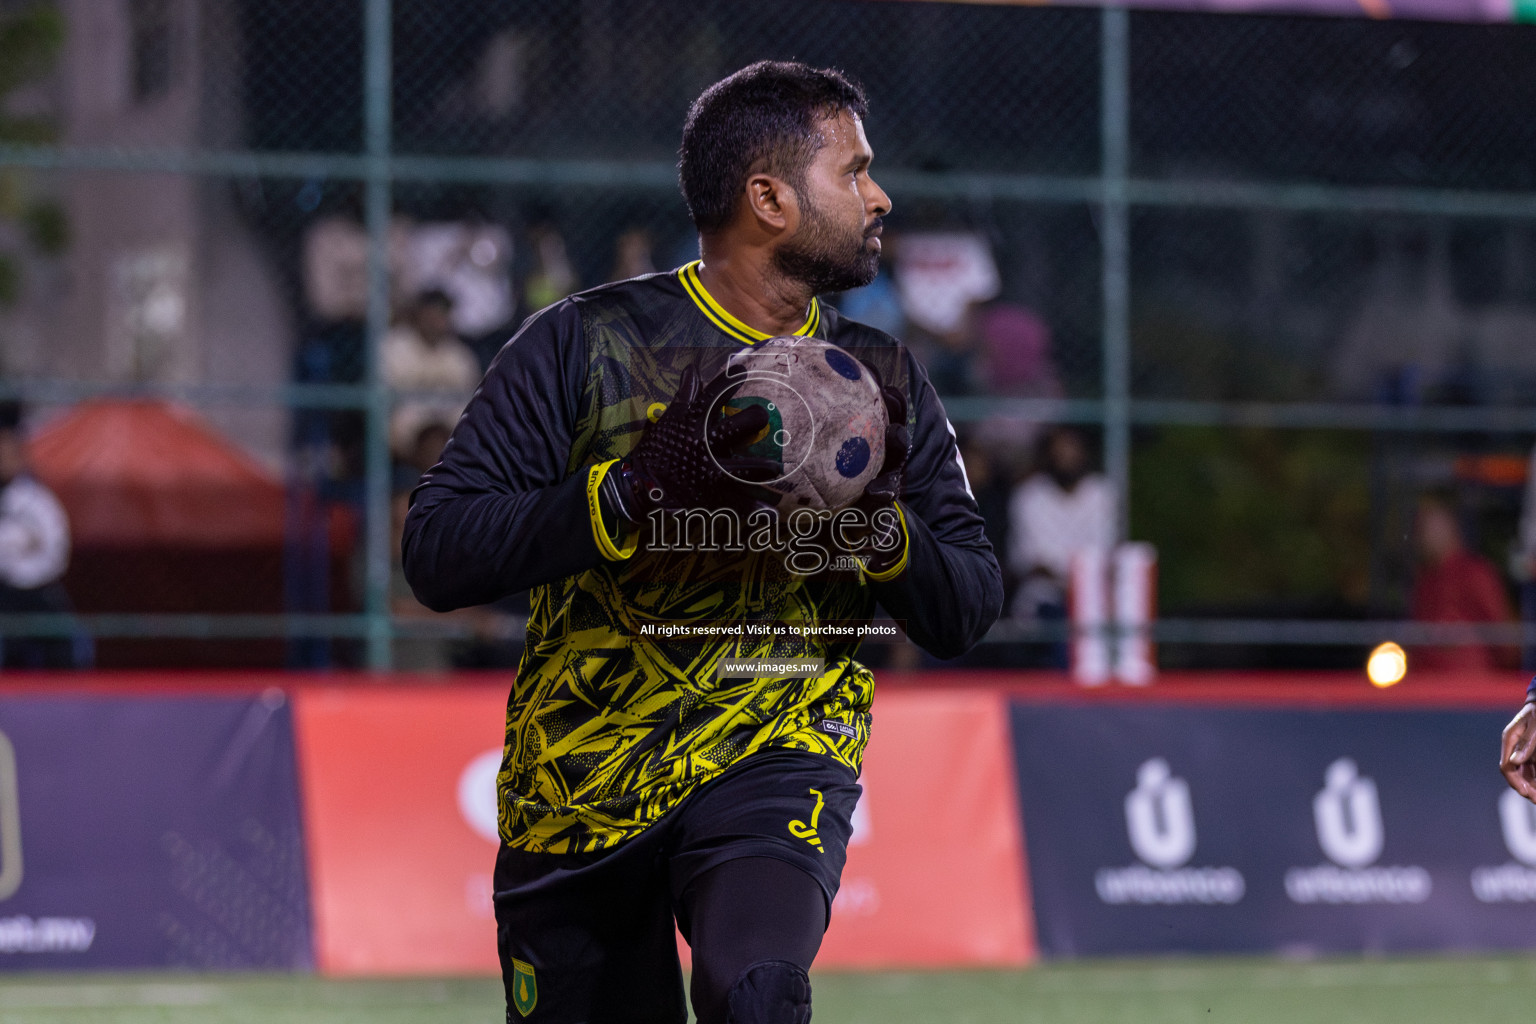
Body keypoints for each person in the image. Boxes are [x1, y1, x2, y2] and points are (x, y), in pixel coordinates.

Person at [403, 61, 1000, 1024]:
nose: (880, 196)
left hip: (780, 744)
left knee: (756, 990)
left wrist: (877, 528)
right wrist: (636, 490)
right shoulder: (580, 345)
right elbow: (437, 552)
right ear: (768, 198)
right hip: (582, 781)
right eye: (853, 172)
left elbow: (969, 602)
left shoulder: (881, 379)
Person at [1007, 426, 1115, 666]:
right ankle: (1065, 700)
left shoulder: (1101, 493)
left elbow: (1106, 555)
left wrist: (1082, 584)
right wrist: (1075, 581)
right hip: (1044, 601)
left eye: (1072, 450)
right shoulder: (1029, 496)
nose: (1066, 457)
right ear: (1047, 455)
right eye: (1060, 451)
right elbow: (1034, 564)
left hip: (1095, 597)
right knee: (1064, 623)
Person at [0, 402, 74, 669]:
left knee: (60, 638)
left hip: (35, 591)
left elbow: (55, 550)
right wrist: (19, 544)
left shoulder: (37, 499)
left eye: (10, 450)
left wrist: (23, 563)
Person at [1408, 491, 1514, 673]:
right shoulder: (1423, 582)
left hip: (1470, 688)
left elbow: (1506, 640)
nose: (1421, 533)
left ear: (1451, 524)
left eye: (1428, 523)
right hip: (1424, 687)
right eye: (1420, 525)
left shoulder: (1476, 573)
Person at [381, 288, 481, 460]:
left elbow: (471, 404)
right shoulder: (394, 346)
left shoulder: (460, 355)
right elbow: (384, 400)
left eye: (442, 314)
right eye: (431, 314)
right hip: (407, 426)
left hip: (447, 424)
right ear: (418, 314)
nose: (436, 321)